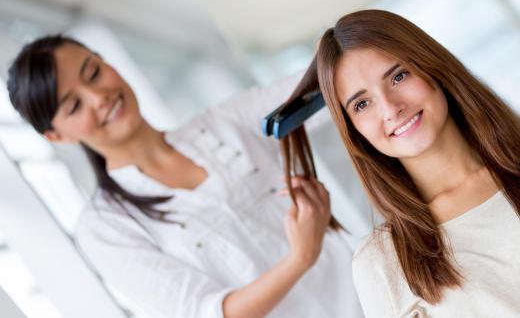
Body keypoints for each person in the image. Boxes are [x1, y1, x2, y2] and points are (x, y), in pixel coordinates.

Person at [6, 35, 363, 318]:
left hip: (373, 305)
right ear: (57, 137)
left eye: (94, 72)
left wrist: (334, 51)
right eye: (73, 105)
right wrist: (302, 256)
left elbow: (325, 88)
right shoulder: (105, 227)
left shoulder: (225, 122)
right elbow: (207, 313)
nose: (98, 97)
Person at [281, 9, 520, 317]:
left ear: (433, 68)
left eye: (398, 76)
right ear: (354, 129)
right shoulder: (383, 262)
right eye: (362, 103)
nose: (390, 108)